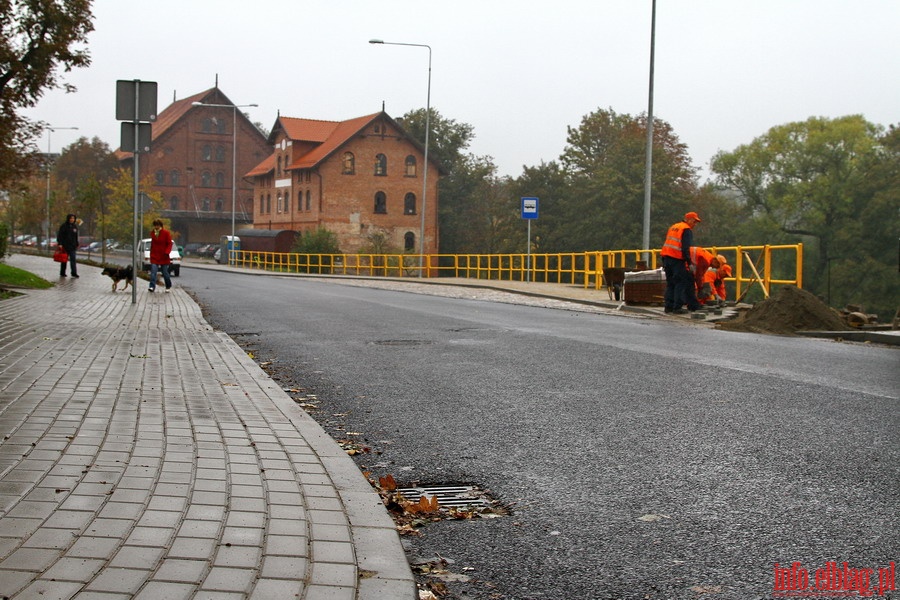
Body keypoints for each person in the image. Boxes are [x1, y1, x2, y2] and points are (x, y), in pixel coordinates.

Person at [661, 211, 702, 313]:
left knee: (670, 283)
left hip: (666, 257)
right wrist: (689, 263)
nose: (695, 224)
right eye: (694, 221)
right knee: (680, 282)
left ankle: (668, 306)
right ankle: (677, 307)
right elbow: (685, 248)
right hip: (676, 259)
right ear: (689, 220)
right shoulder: (686, 229)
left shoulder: (674, 227)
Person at [148, 219, 173, 293]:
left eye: (158, 225)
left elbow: (169, 243)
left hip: (163, 256)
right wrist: (151, 253)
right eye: (155, 225)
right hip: (154, 256)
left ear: (160, 225)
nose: (156, 227)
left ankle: (168, 285)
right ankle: (152, 286)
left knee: (165, 273)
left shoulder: (166, 233)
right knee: (153, 272)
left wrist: (167, 252)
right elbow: (153, 244)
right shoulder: (153, 233)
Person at [56, 214, 80, 278]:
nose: (72, 220)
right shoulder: (64, 226)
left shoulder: (74, 227)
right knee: (64, 260)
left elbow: (75, 236)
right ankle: (62, 272)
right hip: (65, 246)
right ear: (68, 219)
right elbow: (60, 235)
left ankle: (74, 273)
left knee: (73, 259)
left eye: (73, 218)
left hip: (72, 246)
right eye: (71, 218)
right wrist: (60, 243)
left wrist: (76, 243)